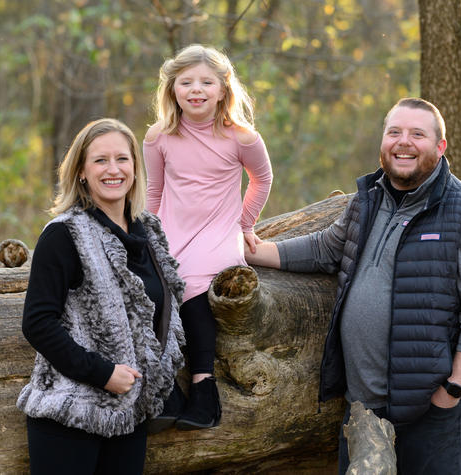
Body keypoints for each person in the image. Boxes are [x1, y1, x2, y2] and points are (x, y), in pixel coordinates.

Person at [246, 98, 461, 475]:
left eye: (418, 134)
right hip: (364, 409)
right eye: (394, 132)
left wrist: (450, 393)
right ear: (382, 141)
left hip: (430, 411)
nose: (404, 142)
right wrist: (250, 251)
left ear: (440, 147)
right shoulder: (367, 200)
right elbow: (324, 249)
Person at [17, 118, 186, 474]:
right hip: (70, 415)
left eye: (122, 159)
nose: (113, 170)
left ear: (136, 169)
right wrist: (103, 373)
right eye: (100, 160)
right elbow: (37, 323)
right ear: (81, 171)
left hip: (129, 414)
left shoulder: (149, 234)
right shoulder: (64, 235)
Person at [143, 44, 273, 431]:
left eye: (206, 82)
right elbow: (155, 190)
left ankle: (204, 388)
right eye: (186, 82)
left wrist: (245, 223)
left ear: (222, 89)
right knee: (153, 289)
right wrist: (148, 235)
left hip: (219, 232)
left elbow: (262, 180)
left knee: (195, 289)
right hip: (171, 230)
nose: (195, 89)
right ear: (172, 89)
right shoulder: (158, 137)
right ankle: (165, 389)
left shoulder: (241, 137)